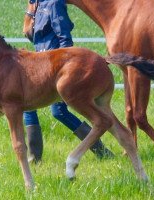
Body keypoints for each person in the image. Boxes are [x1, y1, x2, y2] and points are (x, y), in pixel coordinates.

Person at [24, 0, 114, 163]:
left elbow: (65, 38)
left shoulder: (54, 4)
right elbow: (33, 37)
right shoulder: (38, 6)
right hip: (40, 67)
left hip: (55, 69)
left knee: (59, 112)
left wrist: (66, 65)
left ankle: (100, 150)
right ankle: (34, 158)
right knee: (27, 107)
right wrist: (30, 14)